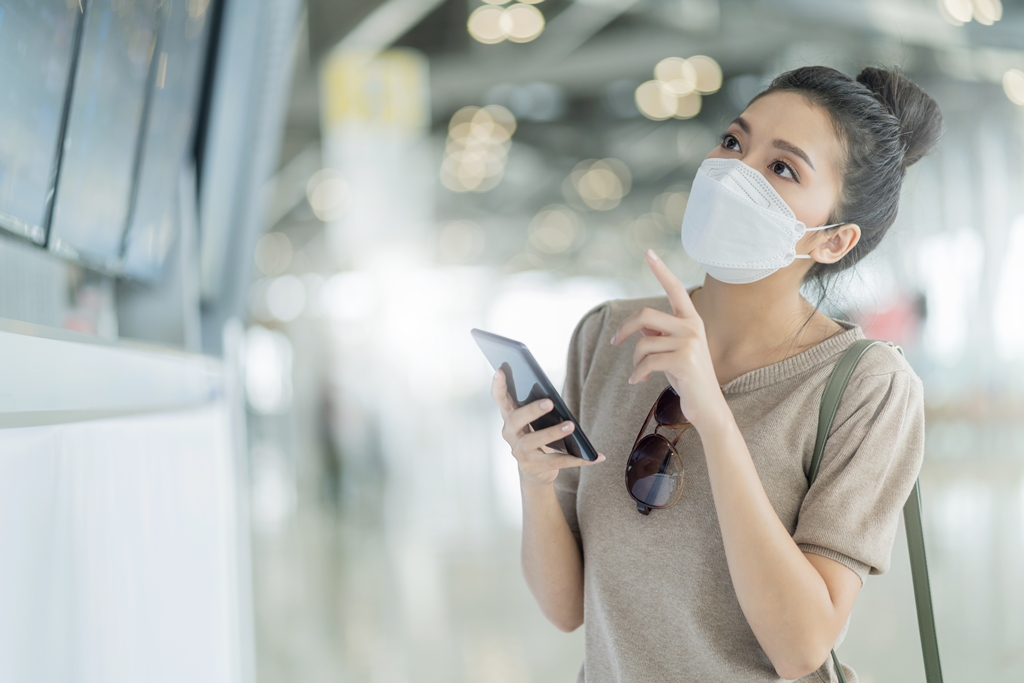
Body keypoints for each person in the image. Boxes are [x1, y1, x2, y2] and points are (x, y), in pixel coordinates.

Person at [489, 66, 943, 682]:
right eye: (734, 142)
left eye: (783, 168)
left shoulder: (866, 386)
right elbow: (567, 609)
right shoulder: (607, 336)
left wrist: (716, 418)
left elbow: (801, 646)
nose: (734, 173)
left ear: (834, 241)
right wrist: (536, 481)